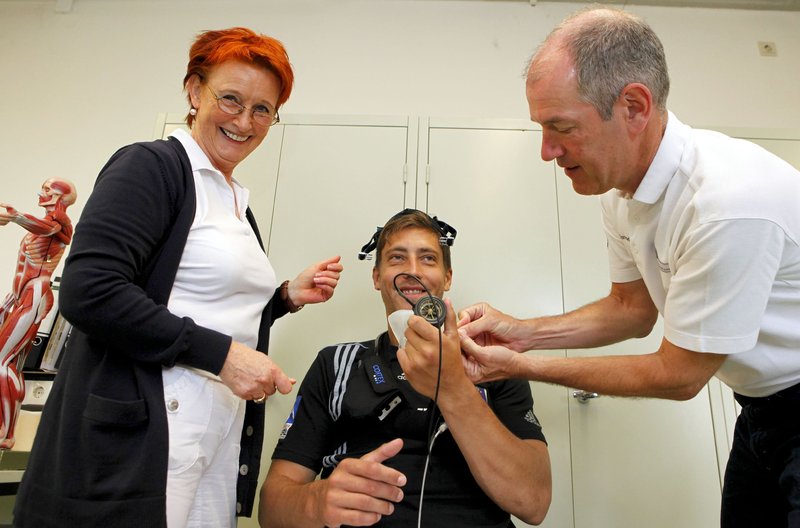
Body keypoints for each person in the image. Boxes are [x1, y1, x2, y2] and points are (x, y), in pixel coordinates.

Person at [456, 7, 800, 528]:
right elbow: (631, 310)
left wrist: (521, 366)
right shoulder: (622, 193)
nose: (547, 151)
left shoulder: (725, 204)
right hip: (760, 412)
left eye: (561, 127)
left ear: (634, 106)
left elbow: (680, 375)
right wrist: (521, 333)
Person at [13, 27, 343, 528]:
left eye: (262, 110)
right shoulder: (152, 167)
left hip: (215, 428)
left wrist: (282, 298)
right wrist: (223, 356)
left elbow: (197, 305)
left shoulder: (234, 200)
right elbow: (90, 290)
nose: (244, 121)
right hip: (147, 432)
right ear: (194, 91)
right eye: (231, 99)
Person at [259, 209, 551, 528]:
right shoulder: (335, 364)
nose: (412, 271)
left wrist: (454, 387)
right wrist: (317, 501)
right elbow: (271, 510)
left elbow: (534, 503)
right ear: (376, 277)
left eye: (428, 258)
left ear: (447, 277)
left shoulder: (493, 362)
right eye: (397, 258)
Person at [0, 178, 76, 449]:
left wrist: (17, 216)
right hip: (22, 295)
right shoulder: (45, 224)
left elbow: (47, 228)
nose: (40, 193)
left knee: (2, 362)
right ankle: (7, 431)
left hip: (35, 294)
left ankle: (5, 431)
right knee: (12, 365)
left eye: (47, 190)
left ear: (60, 197)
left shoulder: (60, 221)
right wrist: (10, 298)